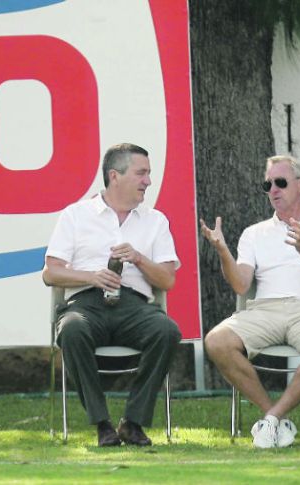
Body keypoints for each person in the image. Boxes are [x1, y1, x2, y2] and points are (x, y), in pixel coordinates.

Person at [200, 155, 300, 448]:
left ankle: (273, 418)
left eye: (280, 183)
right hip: (264, 309)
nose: (273, 190)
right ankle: (273, 418)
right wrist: (222, 251)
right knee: (216, 341)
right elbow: (241, 284)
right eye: (267, 185)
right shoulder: (254, 233)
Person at [42, 143, 182, 447]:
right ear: (114, 176)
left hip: (134, 306)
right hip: (86, 303)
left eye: (149, 174)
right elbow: (51, 272)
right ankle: (101, 424)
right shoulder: (76, 215)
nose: (148, 181)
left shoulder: (155, 221)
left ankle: (132, 422)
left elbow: (167, 280)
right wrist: (91, 276)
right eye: (141, 173)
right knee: (72, 328)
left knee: (167, 330)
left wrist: (140, 259)